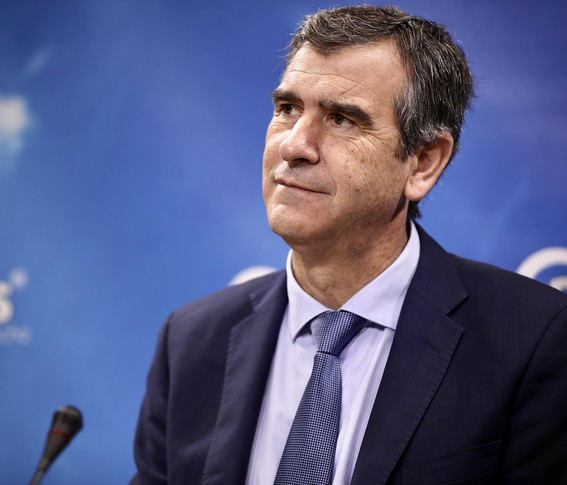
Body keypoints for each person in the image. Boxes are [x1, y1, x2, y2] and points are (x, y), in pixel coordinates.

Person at [131, 5, 567, 484]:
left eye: (341, 119)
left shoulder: (533, 341)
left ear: (423, 162)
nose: (294, 146)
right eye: (287, 109)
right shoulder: (191, 341)